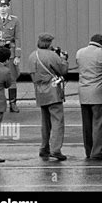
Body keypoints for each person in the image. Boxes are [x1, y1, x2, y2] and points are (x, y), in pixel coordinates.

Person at [28, 33, 69, 161]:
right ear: (48, 43)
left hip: (40, 91)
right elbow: (63, 70)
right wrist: (64, 59)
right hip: (52, 91)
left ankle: (44, 148)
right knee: (57, 121)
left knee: (45, 122)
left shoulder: (32, 55)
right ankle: (56, 149)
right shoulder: (52, 55)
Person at [75, 34, 102, 160]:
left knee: (87, 125)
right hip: (99, 94)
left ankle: (88, 150)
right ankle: (97, 152)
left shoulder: (80, 53)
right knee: (98, 124)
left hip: (83, 93)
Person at [0, 0, 21, 113]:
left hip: (10, 54)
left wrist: (17, 55)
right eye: (1, 6)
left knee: (12, 78)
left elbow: (17, 39)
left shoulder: (14, 20)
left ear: (8, 7)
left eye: (5, 6)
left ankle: (13, 104)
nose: (3, 9)